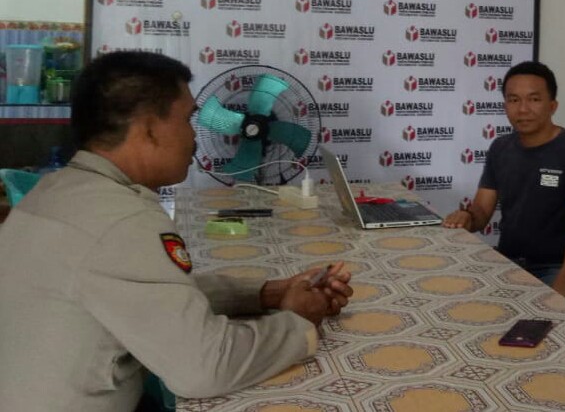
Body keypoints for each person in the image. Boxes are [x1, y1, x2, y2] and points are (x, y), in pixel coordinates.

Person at [0, 51, 353, 412]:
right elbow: (205, 367)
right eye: (187, 120)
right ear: (149, 130)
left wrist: (270, 293)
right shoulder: (123, 220)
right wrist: (298, 320)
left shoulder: (55, 191)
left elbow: (153, 291)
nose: (195, 136)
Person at [443, 61, 565, 311]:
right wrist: (467, 218)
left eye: (534, 99)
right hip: (506, 261)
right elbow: (482, 212)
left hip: (555, 267)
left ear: (552, 105)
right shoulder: (500, 148)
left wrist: (564, 281)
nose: (523, 109)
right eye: (514, 100)